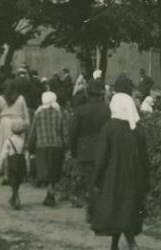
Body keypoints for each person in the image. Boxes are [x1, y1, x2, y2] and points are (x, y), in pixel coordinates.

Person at [90, 93, 150, 250]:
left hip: (114, 176)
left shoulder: (109, 128)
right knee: (127, 210)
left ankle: (128, 244)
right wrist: (146, 181)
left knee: (116, 210)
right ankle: (117, 244)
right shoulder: (137, 129)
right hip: (134, 176)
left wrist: (96, 178)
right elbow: (145, 158)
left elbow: (102, 156)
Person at [69, 79, 111, 220]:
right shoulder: (108, 110)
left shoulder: (80, 110)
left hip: (85, 151)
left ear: (88, 93)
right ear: (102, 94)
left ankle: (91, 208)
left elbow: (73, 133)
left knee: (89, 181)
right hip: (104, 150)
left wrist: (74, 151)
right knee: (102, 181)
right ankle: (99, 207)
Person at [27, 91, 67, 207]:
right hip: (56, 146)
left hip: (42, 146)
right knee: (54, 171)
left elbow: (33, 131)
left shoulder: (38, 113)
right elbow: (63, 131)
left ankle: (50, 194)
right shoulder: (59, 113)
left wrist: (30, 145)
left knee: (45, 171)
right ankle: (50, 195)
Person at [0, 82, 31, 172]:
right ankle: (17, 166)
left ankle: (2, 167)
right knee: (17, 145)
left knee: (3, 145)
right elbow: (25, 113)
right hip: (18, 123)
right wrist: (27, 124)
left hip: (4, 124)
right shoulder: (20, 98)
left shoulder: (1, 99)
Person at [4, 120, 29, 209]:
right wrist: (27, 164)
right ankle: (14, 197)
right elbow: (26, 153)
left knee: (13, 180)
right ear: (22, 131)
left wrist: (2, 163)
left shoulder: (8, 140)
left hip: (11, 161)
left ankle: (16, 196)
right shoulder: (23, 141)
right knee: (18, 180)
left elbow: (5, 153)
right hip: (21, 161)